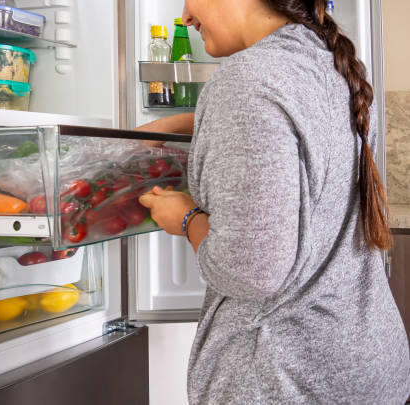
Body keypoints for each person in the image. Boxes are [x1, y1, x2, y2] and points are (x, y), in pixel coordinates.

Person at [137, 0, 410, 403]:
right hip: (366, 363)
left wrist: (185, 217)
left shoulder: (246, 78)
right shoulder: (325, 61)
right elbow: (288, 113)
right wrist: (180, 122)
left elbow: (249, 272)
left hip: (285, 377)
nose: (185, 16)